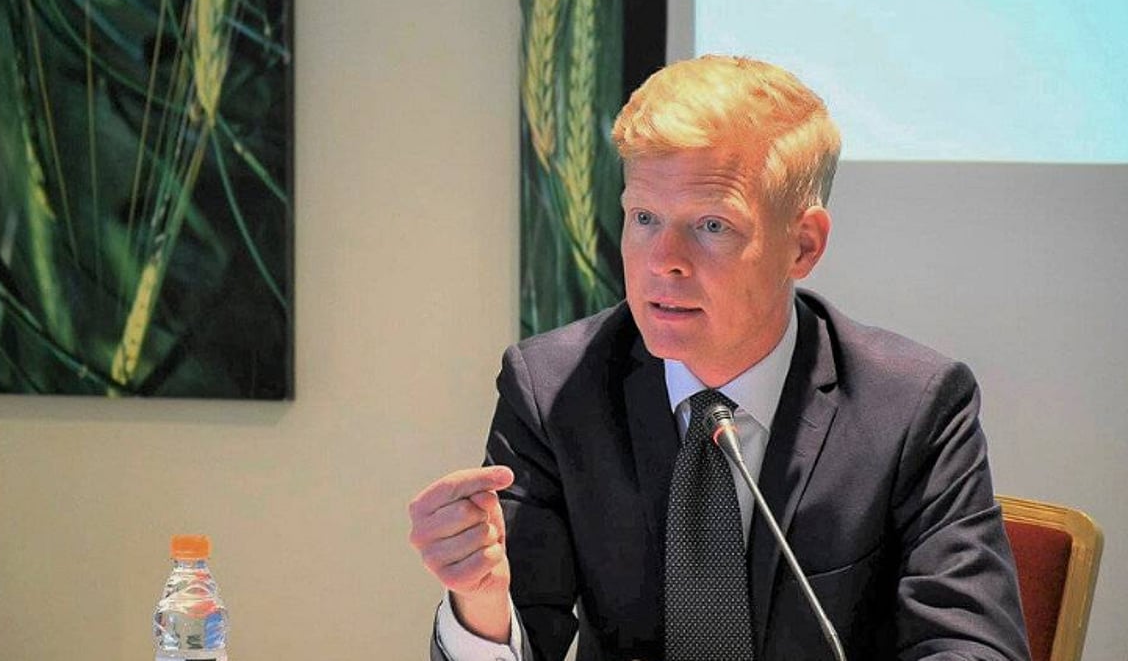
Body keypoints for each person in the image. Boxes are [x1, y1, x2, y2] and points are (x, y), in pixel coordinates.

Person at [408, 55, 1030, 660]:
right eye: (644, 218)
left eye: (711, 226)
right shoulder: (553, 390)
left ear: (803, 245)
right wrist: (481, 604)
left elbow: (973, 645)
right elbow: (521, 635)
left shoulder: (913, 406)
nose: (664, 262)